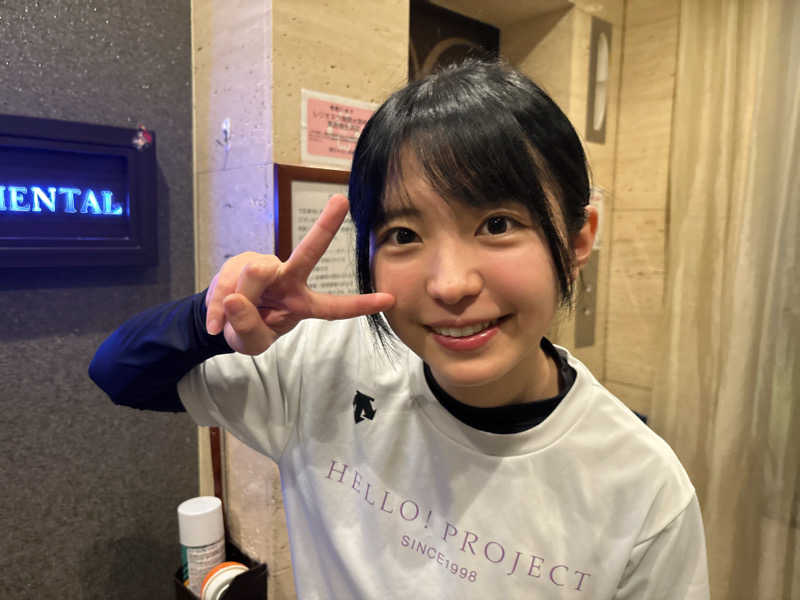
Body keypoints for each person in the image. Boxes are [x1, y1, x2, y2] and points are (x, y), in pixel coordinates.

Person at [90, 59, 709, 598]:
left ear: (577, 239)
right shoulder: (323, 366)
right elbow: (118, 373)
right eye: (404, 235)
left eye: (497, 224)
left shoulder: (642, 489)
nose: (451, 284)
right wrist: (210, 317)